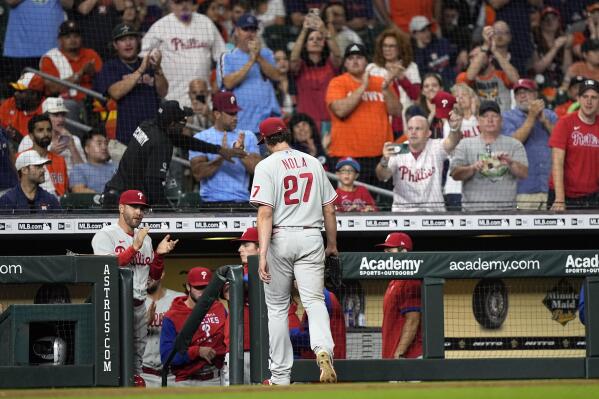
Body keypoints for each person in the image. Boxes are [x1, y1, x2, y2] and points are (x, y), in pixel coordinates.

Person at [250, 116, 338, 385]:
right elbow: (330, 209)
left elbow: (265, 213)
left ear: (265, 141)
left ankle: (280, 376)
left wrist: (262, 253)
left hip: (281, 237)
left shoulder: (265, 165)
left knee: (277, 308)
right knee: (314, 301)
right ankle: (323, 350)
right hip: (312, 235)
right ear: (286, 134)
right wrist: (332, 244)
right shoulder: (313, 161)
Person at [92, 189, 179, 377]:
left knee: (137, 359)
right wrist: (134, 247)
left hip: (139, 305)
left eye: (142, 208)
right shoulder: (105, 235)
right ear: (121, 208)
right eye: (134, 207)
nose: (139, 212)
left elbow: (153, 276)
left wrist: (159, 255)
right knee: (112, 356)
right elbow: (106, 268)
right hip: (114, 305)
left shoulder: (145, 238)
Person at [103, 100, 246, 207]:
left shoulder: (148, 125)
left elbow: (184, 141)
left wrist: (219, 150)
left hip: (114, 192)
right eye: (182, 124)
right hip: (125, 203)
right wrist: (168, 211)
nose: (184, 127)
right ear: (172, 124)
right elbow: (154, 184)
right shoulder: (161, 143)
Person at [326, 42, 401, 186]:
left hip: (381, 155)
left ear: (366, 61)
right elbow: (340, 111)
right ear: (345, 63)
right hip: (347, 157)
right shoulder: (337, 83)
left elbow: (396, 111)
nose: (354, 61)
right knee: (351, 205)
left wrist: (386, 89)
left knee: (383, 203)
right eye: (350, 58)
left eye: (359, 57)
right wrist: (363, 86)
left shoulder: (381, 82)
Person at [94, 23, 168, 146]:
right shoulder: (110, 67)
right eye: (123, 40)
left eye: (131, 39)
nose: (128, 43)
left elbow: (163, 91)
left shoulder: (149, 64)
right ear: (115, 45)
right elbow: (115, 93)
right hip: (123, 136)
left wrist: (158, 69)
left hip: (151, 134)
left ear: (138, 41)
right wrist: (140, 70)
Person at [142, 0, 226, 107]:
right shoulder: (161, 26)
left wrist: (218, 83)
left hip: (204, 102)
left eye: (187, 1)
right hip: (174, 100)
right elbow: (142, 54)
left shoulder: (206, 23)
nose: (184, 5)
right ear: (171, 4)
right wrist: (157, 70)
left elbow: (223, 57)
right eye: (179, 2)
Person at [375, 111, 463, 212]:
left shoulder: (435, 147)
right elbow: (382, 176)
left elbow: (452, 141)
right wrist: (384, 160)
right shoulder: (398, 149)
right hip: (403, 214)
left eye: (418, 128)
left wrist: (454, 129)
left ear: (428, 133)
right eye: (410, 128)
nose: (413, 132)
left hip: (433, 214)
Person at [450, 100, 529, 211]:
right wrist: (472, 168)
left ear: (501, 120)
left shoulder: (514, 144)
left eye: (494, 116)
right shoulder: (465, 144)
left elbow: (524, 174)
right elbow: (455, 174)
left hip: (506, 212)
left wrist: (510, 163)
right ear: (478, 120)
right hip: (473, 212)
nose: (490, 120)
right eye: (485, 116)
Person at [189, 91, 261, 203]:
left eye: (236, 113)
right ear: (217, 114)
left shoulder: (248, 136)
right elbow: (198, 174)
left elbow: (259, 171)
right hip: (211, 203)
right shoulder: (201, 138)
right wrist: (222, 154)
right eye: (230, 113)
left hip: (242, 201)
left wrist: (241, 153)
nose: (235, 117)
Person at [160, 267, 227, 386]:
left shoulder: (219, 308)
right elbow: (166, 357)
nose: (202, 291)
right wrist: (197, 351)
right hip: (186, 381)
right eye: (198, 287)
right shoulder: (172, 316)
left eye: (206, 287)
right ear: (188, 287)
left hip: (215, 378)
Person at [218, 13, 282, 134]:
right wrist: (251, 60)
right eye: (245, 29)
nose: (250, 33)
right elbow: (228, 83)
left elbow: (277, 76)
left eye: (253, 29)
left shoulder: (266, 53)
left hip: (267, 124)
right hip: (241, 124)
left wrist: (258, 57)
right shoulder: (228, 56)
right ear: (237, 31)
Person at [501, 79, 557, 210]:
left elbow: (562, 142)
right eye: (518, 93)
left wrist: (545, 122)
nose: (522, 96)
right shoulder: (507, 117)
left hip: (549, 189)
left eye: (527, 91)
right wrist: (531, 117)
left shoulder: (551, 115)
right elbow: (513, 143)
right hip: (522, 191)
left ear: (536, 95)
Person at [548, 79, 599, 211]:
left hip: (592, 196)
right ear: (578, 99)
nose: (589, 101)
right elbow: (557, 162)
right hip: (564, 195)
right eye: (585, 97)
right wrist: (560, 200)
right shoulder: (565, 123)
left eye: (594, 97)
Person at [289, 9, 341, 133]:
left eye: (319, 38)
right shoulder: (300, 66)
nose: (315, 41)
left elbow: (338, 55)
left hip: (330, 120)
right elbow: (293, 58)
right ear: (305, 45)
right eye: (311, 39)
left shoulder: (330, 64)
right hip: (305, 123)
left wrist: (324, 30)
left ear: (324, 43)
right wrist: (304, 30)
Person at [39, 20, 103, 119]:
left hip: (93, 103)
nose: (72, 40)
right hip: (66, 104)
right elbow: (52, 89)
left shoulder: (91, 54)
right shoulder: (50, 58)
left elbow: (104, 82)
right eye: (67, 37)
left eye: (76, 36)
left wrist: (94, 74)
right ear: (60, 40)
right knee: (69, 106)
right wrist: (81, 73)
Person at [369, 28, 421, 137]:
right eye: (385, 46)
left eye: (392, 46)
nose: (387, 49)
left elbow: (415, 95)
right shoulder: (372, 69)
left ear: (400, 48)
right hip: (381, 120)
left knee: (403, 151)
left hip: (405, 122)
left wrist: (401, 76)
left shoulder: (411, 67)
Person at [456, 25, 520, 113]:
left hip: (504, 121)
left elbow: (517, 80)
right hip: (480, 123)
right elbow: (470, 77)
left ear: (490, 58)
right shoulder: (464, 77)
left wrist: (495, 51)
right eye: (471, 57)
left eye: (479, 56)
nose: (475, 60)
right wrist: (485, 46)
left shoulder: (501, 75)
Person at [378, 232, 422, 359]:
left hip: (409, 359)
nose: (385, 254)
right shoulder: (394, 280)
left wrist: (399, 353)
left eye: (389, 250)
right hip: (394, 357)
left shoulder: (410, 280)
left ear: (403, 252)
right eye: (384, 250)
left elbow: (413, 320)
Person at [18, 97, 86, 172]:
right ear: (45, 117)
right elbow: (24, 172)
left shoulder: (74, 139)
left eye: (63, 115)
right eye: (56, 115)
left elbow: (84, 173)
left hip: (72, 182)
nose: (61, 119)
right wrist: (50, 154)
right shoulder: (29, 140)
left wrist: (73, 148)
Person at [141, 271, 183, 387]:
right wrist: (143, 323)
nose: (147, 277)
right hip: (145, 374)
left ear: (162, 274)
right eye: (144, 272)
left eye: (151, 273)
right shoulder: (135, 302)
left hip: (173, 375)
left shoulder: (179, 299)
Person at [22, 114, 69, 198]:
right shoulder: (21, 159)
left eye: (49, 130)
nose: (46, 134)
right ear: (31, 136)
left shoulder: (60, 160)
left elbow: (65, 192)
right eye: (40, 130)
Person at [410, 15, 456, 86]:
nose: (427, 33)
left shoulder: (441, 43)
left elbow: (455, 58)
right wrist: (420, 49)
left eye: (428, 29)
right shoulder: (414, 55)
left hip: (455, 81)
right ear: (414, 34)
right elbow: (422, 75)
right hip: (437, 88)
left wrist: (463, 51)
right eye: (423, 31)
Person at [0, 72, 44, 141]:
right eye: (16, 90)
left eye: (20, 91)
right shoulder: (10, 103)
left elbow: (43, 148)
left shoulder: (46, 111)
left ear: (34, 95)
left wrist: (21, 140)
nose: (15, 94)